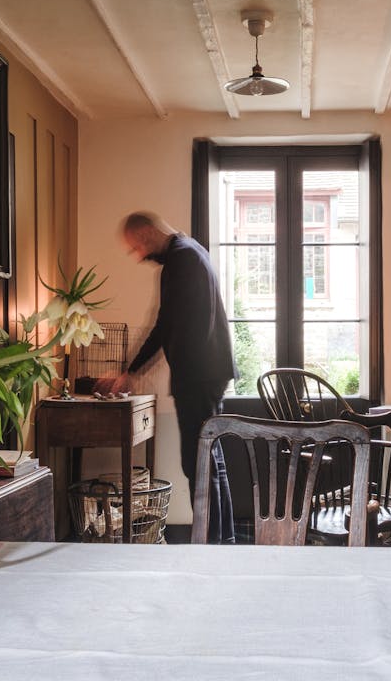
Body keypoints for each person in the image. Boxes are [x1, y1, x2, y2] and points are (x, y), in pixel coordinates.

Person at [109, 211, 236, 543]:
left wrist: (131, 371)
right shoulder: (193, 250)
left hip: (197, 376)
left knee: (198, 464)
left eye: (136, 247)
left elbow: (164, 325)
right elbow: (168, 324)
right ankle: (223, 540)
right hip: (209, 374)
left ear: (147, 233)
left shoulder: (180, 260)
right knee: (211, 461)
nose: (139, 256)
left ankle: (209, 543)